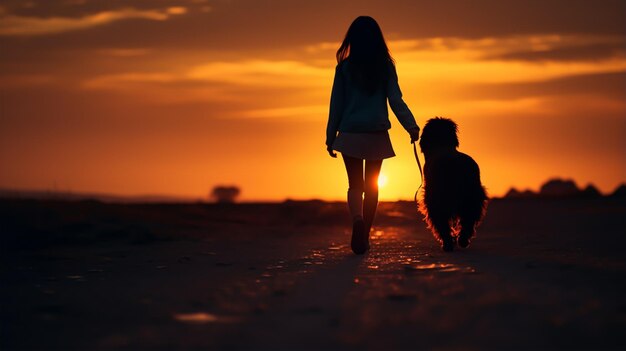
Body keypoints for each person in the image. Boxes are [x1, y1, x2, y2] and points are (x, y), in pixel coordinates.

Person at [326, 16, 420, 255]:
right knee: (373, 186)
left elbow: (335, 105)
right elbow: (396, 100)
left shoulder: (344, 68)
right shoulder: (385, 66)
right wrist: (411, 126)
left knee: (354, 185)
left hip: (349, 132)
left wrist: (330, 136)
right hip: (376, 132)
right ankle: (365, 233)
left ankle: (357, 220)